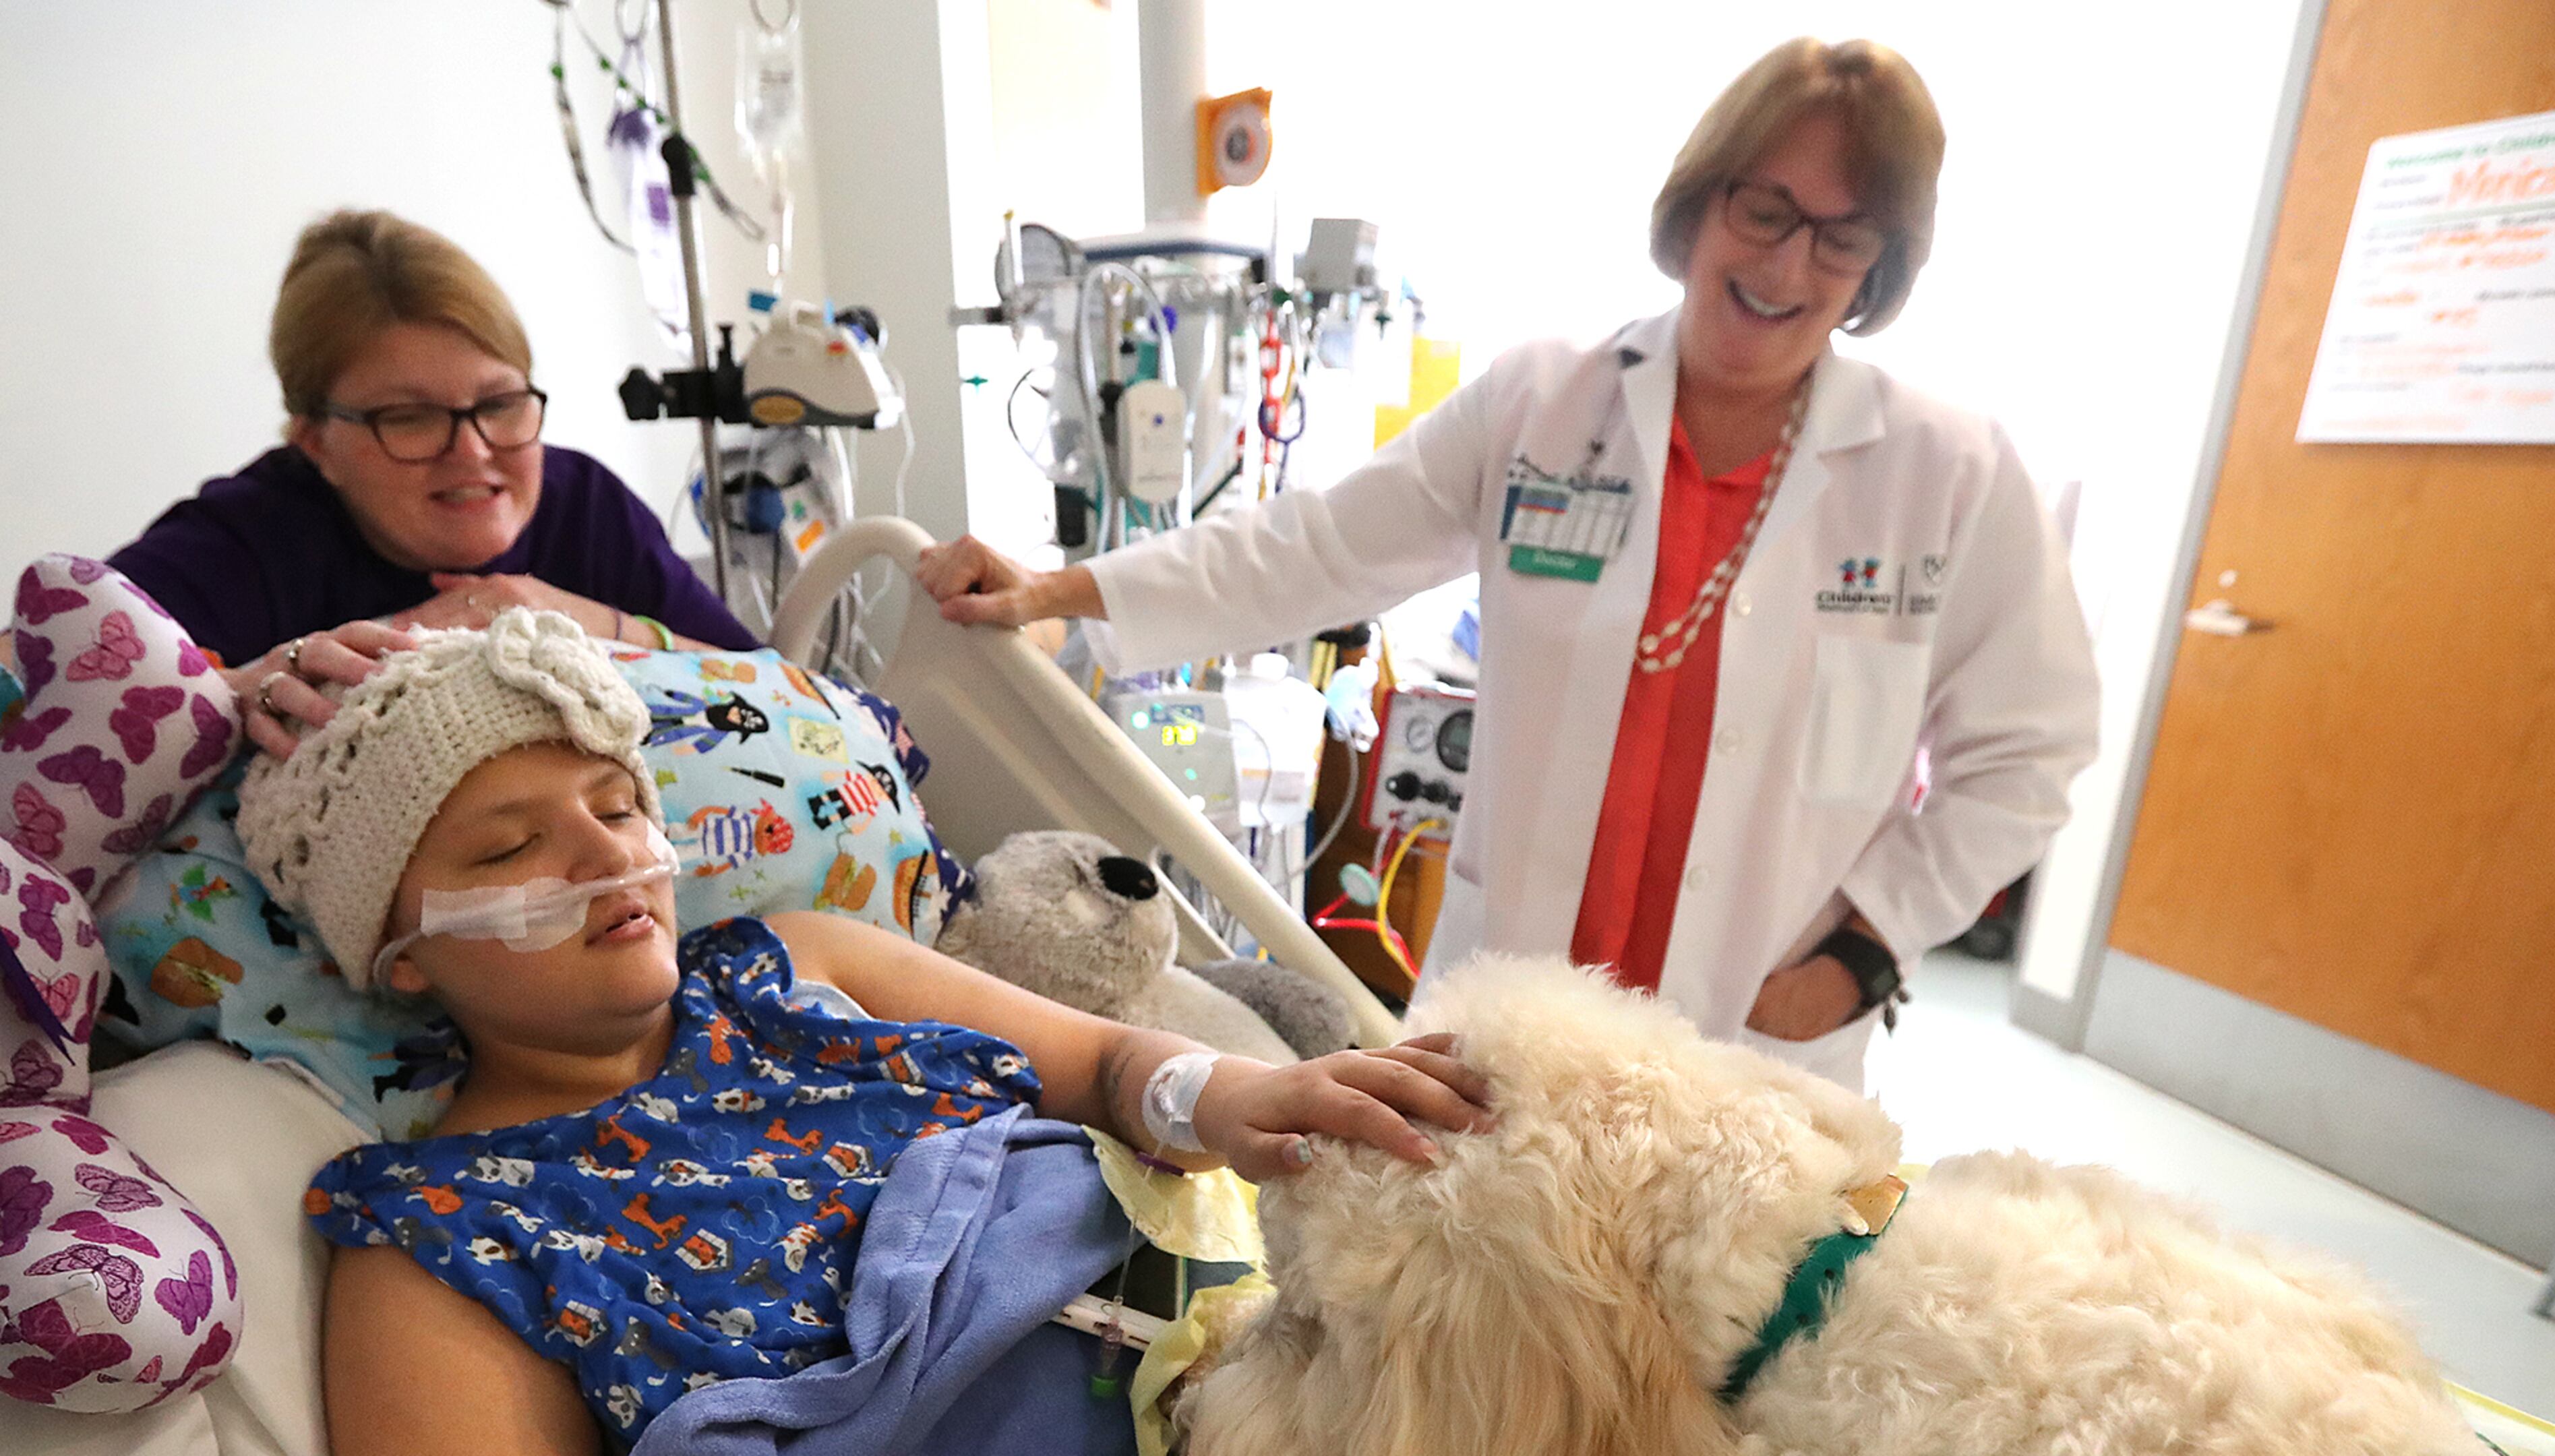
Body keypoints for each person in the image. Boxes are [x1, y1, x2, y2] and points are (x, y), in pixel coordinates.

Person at [914, 37, 2099, 1091]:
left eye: (1843, 236)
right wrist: (1069, 595)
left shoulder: (1947, 471)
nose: (1790, 267)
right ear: (1700, 204)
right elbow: (1320, 545)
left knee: (1699, 1330)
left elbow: (2030, 752)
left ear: (1882, 264)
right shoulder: (1548, 403)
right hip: (1516, 1015)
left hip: (1757, 1040)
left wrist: (1860, 955)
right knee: (1474, 1316)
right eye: (1766, 211)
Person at [231, 609, 1488, 1454]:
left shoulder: (797, 962)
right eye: (512, 846)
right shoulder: (439, 1246)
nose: (609, 854)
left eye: (619, 804)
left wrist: (1222, 1098)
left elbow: (1104, 1064)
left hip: (1292, 1356)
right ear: (398, 954)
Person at [109, 208, 758, 758]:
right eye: (410, 418)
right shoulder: (251, 539)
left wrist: (605, 625)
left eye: (501, 403)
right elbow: (22, 679)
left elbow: (788, 697)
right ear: (316, 445)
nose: (473, 451)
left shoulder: (583, 506)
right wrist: (232, 694)